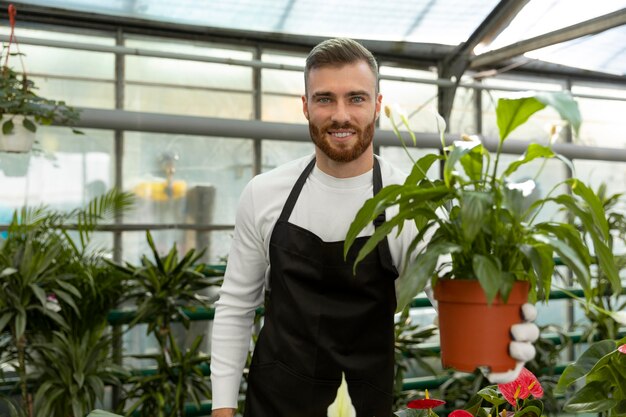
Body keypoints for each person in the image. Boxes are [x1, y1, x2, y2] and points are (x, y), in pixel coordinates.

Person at [210, 37, 538, 417]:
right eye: (324, 98)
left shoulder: (410, 201)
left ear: (378, 106)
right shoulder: (264, 193)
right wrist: (222, 409)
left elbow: (448, 290)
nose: (341, 115)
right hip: (275, 402)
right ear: (306, 107)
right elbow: (236, 305)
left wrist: (499, 334)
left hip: (366, 402)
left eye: (356, 98)